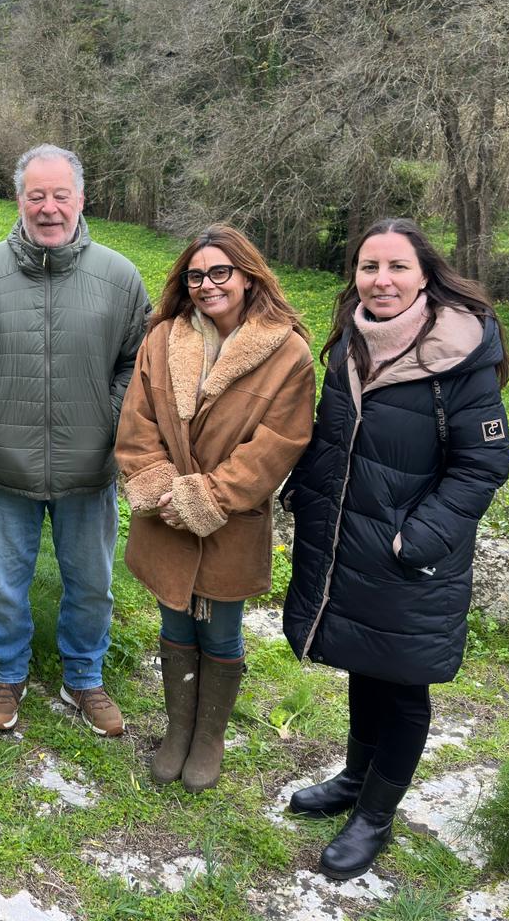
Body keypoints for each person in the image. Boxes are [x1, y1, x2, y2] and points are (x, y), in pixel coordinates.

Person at [282, 218, 509, 881]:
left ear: (425, 275)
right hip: (348, 542)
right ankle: (356, 778)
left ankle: (376, 817)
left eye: (396, 268)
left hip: (413, 556)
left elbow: (482, 465)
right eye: (368, 267)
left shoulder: (457, 355)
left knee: (404, 685)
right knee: (364, 662)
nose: (380, 281)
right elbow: (331, 438)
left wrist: (420, 540)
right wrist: (305, 492)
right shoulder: (350, 342)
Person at [0, 144, 149, 736]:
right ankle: (9, 674)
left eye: (60, 195)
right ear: (20, 199)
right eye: (37, 196)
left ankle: (84, 677)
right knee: (7, 587)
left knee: (93, 584)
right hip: (6, 468)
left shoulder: (120, 276)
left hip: (89, 469)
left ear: (81, 199)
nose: (49, 208)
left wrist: (107, 421)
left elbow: (139, 362)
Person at [115, 225, 313, 791]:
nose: (207, 285)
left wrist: (210, 497)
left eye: (220, 272)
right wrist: (159, 487)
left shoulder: (286, 351)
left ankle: (209, 737)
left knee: (220, 630)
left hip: (232, 517)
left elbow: (279, 443)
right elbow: (136, 423)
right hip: (165, 515)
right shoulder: (163, 339)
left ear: (248, 276)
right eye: (196, 275)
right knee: (174, 619)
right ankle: (179, 729)